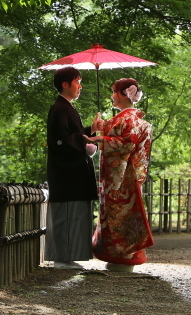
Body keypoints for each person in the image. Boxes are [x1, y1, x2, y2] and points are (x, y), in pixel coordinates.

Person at [87, 77, 153, 272]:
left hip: (122, 177)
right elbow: (114, 134)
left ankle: (125, 257)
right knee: (119, 214)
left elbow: (127, 143)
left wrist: (101, 137)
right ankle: (121, 256)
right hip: (119, 177)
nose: (112, 96)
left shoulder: (129, 119)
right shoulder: (127, 118)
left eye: (114, 92)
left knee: (121, 215)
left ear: (125, 94)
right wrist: (99, 127)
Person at [45, 66, 103, 269]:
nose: (80, 86)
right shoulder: (59, 108)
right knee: (65, 214)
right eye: (77, 81)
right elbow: (61, 140)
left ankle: (67, 257)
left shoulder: (66, 107)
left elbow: (73, 135)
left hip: (72, 172)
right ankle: (61, 258)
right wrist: (85, 141)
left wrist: (91, 130)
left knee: (73, 213)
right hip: (66, 173)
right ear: (65, 84)